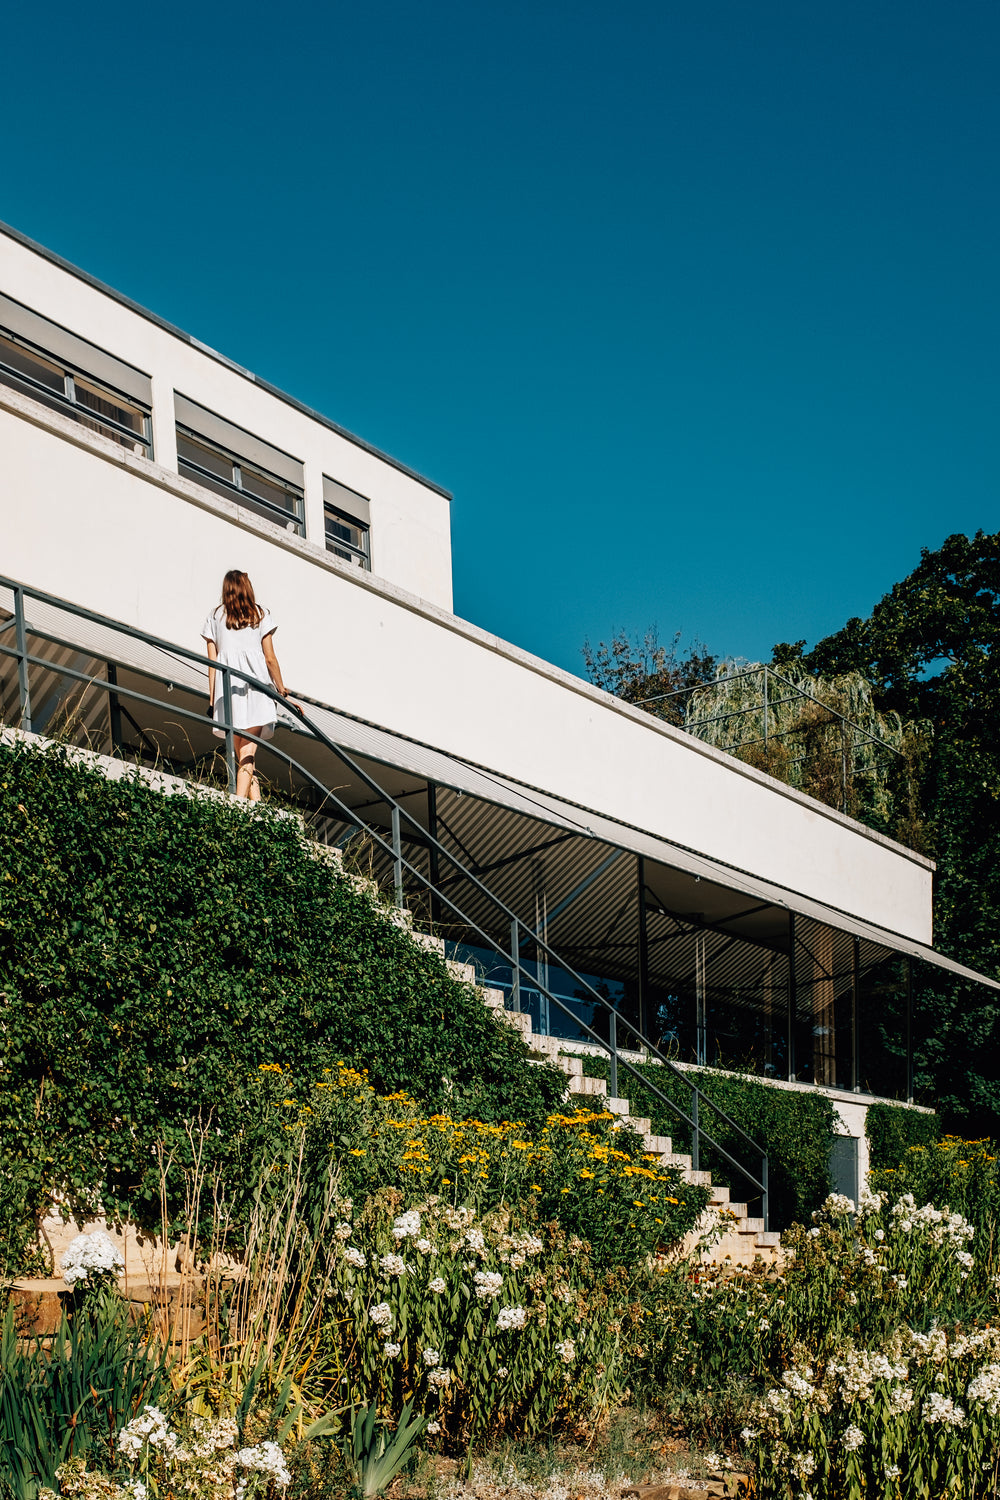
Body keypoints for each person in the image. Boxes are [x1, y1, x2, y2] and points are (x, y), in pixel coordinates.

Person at [201, 570, 291, 800]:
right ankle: (239, 804)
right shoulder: (260, 614)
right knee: (247, 751)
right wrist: (281, 688)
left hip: (227, 691)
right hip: (257, 689)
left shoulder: (214, 616)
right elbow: (270, 658)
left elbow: (212, 664)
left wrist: (212, 700)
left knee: (240, 753)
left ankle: (256, 803)